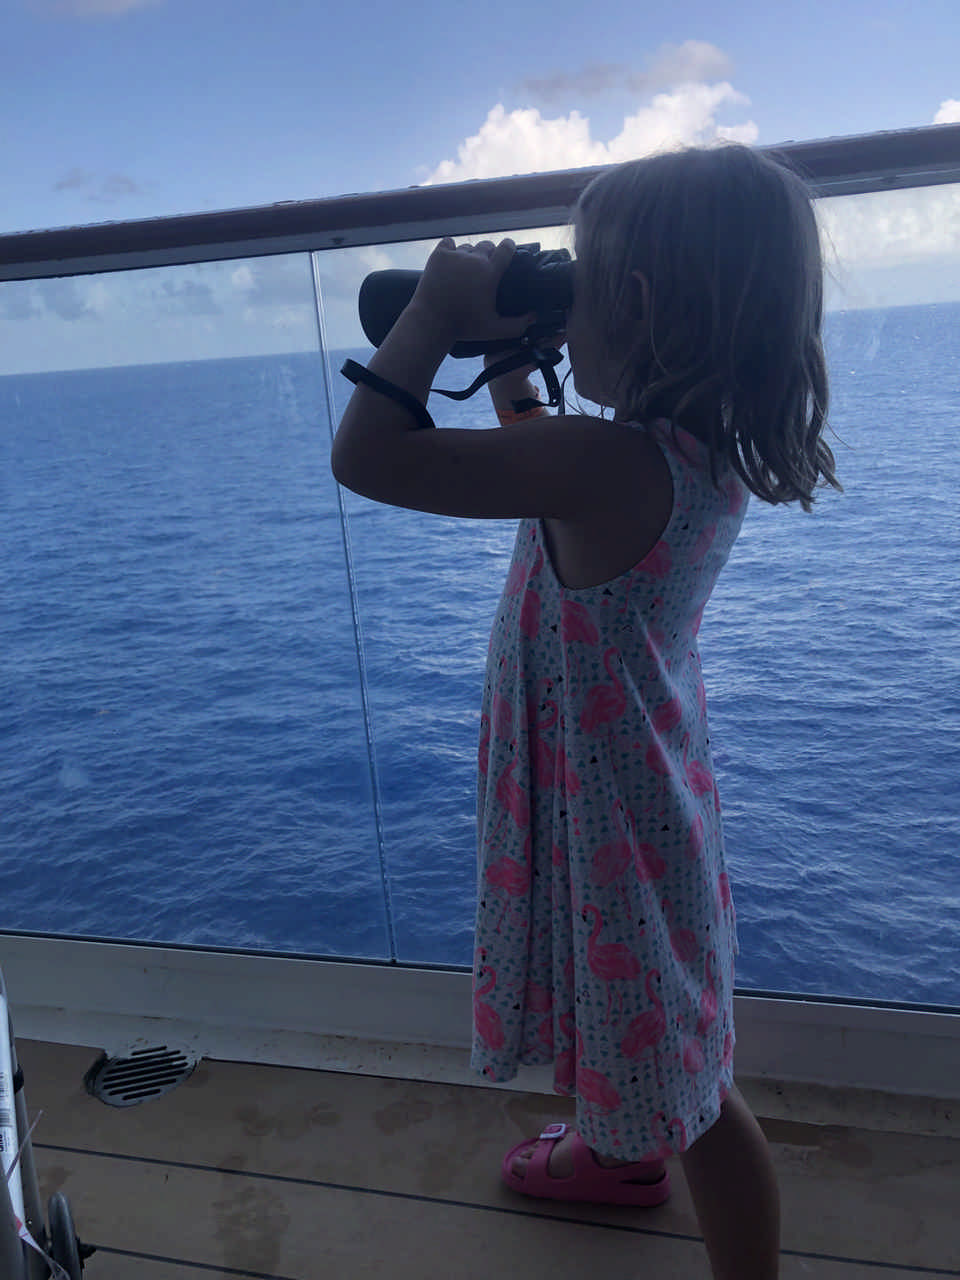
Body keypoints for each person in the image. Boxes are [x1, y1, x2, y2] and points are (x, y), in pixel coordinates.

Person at [331, 143, 840, 1280]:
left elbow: (367, 455)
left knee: (695, 1087)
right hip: (625, 782)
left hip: (608, 805)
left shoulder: (608, 461)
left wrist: (432, 311)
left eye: (581, 279)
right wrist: (515, 348)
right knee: (622, 1006)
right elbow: (534, 458)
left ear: (640, 303)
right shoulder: (676, 445)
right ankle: (616, 1152)